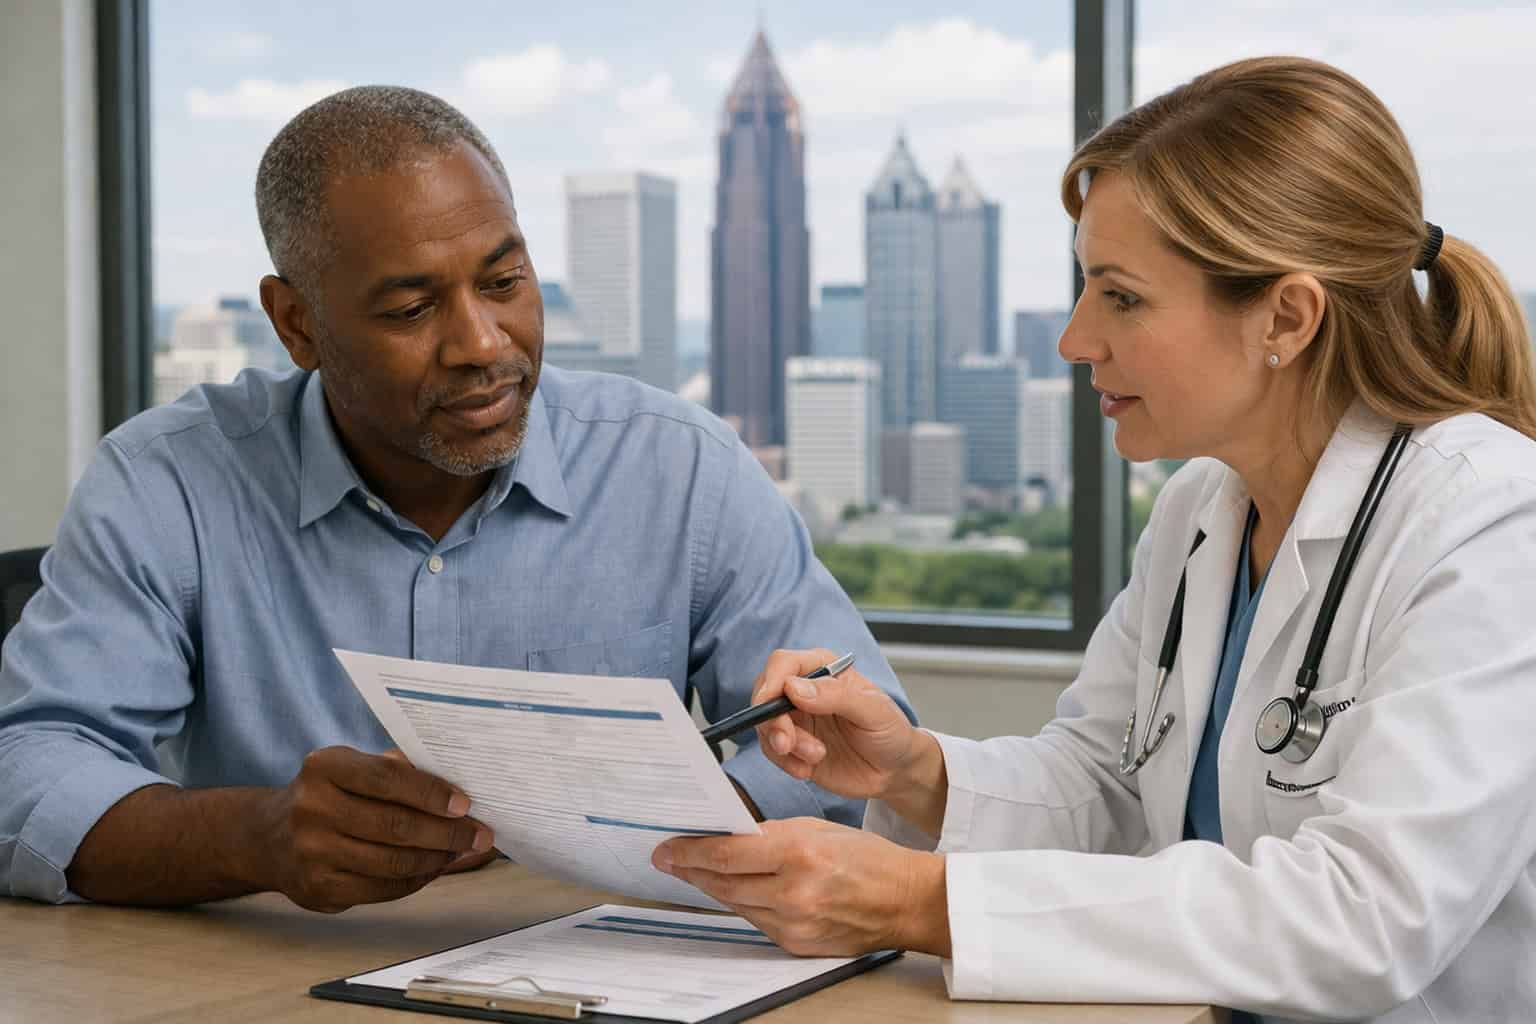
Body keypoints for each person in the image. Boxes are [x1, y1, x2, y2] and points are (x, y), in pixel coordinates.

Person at [651, 57, 1536, 1022]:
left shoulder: (1490, 526)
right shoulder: (1204, 507)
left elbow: (1367, 919)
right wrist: (918, 772)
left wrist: (920, 902)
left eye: (1120, 297)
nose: (1076, 338)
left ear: (1287, 316)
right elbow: (1106, 785)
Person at [0, 86, 911, 912]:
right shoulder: (169, 482)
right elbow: (25, 770)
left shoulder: (681, 470)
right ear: (297, 324)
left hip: (610, 976)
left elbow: (867, 743)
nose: (482, 343)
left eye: (505, 282)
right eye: (410, 310)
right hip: (268, 984)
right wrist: (259, 837)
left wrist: (661, 841)